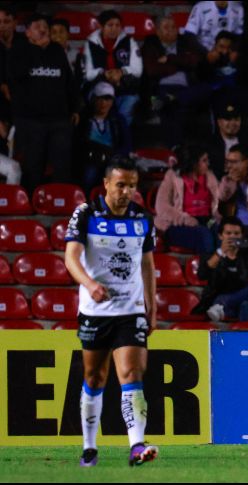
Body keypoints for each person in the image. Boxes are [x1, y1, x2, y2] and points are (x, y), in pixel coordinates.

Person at [63, 156, 158, 468]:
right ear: (105, 184)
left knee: (132, 373)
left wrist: (151, 307)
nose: (126, 191)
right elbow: (71, 258)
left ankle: (136, 446)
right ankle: (89, 448)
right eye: (120, 185)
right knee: (95, 376)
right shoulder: (86, 213)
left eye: (132, 186)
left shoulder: (143, 218)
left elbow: (147, 265)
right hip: (95, 311)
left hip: (129, 311)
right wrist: (90, 284)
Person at [8, 14, 79, 193]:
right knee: (33, 166)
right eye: (37, 26)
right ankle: (34, 201)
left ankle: (60, 200)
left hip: (59, 120)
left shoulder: (57, 50)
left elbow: (69, 82)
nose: (43, 29)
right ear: (28, 32)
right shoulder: (19, 50)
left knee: (62, 164)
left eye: (45, 26)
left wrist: (75, 107)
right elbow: (15, 77)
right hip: (30, 120)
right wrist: (36, 51)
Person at [142, 15, 206, 147]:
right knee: (172, 110)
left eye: (173, 27)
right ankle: (175, 148)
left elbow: (195, 61)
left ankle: (173, 98)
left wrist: (170, 58)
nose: (171, 30)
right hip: (161, 87)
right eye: (166, 28)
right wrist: (180, 64)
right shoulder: (150, 44)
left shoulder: (185, 42)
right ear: (158, 31)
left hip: (186, 88)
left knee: (207, 89)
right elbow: (152, 70)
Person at [193, 216, 248, 322]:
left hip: (242, 298)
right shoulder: (210, 255)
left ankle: (224, 303)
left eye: (236, 234)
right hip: (219, 298)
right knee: (244, 305)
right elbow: (202, 275)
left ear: (242, 236)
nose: (232, 237)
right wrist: (220, 252)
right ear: (220, 236)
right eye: (228, 233)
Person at [154, 144, 219, 256]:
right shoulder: (172, 176)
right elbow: (161, 206)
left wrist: (217, 216)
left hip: (206, 220)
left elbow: (218, 201)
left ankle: (225, 269)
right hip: (179, 224)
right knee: (203, 235)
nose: (208, 164)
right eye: (204, 160)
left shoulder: (210, 176)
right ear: (193, 162)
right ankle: (207, 270)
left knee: (220, 231)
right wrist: (185, 219)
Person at [83, 10, 143, 126]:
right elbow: (88, 73)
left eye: (117, 25)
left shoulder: (129, 41)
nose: (114, 28)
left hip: (124, 85)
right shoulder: (90, 43)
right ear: (101, 26)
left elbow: (137, 70)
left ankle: (122, 139)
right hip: (98, 85)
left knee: (127, 107)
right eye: (110, 25)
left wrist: (121, 72)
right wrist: (105, 74)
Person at [75, 82, 132, 194]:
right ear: (93, 99)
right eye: (99, 99)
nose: (103, 103)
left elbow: (127, 145)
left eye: (107, 99)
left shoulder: (118, 121)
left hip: (112, 159)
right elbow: (77, 144)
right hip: (90, 159)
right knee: (89, 173)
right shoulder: (84, 120)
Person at [206, 104, 248, 179]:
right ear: (219, 122)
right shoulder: (209, 145)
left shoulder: (247, 143)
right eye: (228, 119)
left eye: (236, 119)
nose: (233, 123)